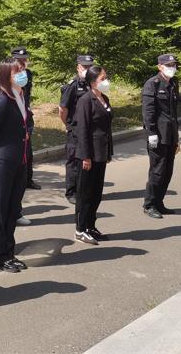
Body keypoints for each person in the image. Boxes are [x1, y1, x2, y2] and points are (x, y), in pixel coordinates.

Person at [0, 58, 30, 272]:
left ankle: (10, 253)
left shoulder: (19, 94)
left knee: (12, 210)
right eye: (16, 71)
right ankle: (0, 257)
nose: (22, 73)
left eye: (22, 69)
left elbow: (25, 122)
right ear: (6, 76)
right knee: (0, 211)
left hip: (20, 160)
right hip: (3, 161)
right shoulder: (2, 99)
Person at [73, 65, 114, 245]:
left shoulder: (104, 98)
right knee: (85, 194)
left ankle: (90, 226)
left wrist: (108, 151)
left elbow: (106, 128)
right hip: (89, 155)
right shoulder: (85, 100)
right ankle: (80, 229)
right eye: (102, 78)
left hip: (101, 153)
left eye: (105, 77)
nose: (106, 81)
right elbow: (82, 130)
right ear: (92, 82)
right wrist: (85, 156)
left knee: (96, 193)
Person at [0, 47, 39, 195]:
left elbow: (26, 95)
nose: (23, 63)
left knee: (27, 153)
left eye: (25, 60)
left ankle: (27, 179)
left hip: (24, 115)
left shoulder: (27, 75)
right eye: (19, 60)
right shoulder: (1, 84)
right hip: (10, 125)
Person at [141, 54, 181, 219]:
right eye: (168, 65)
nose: (172, 68)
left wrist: (176, 138)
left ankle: (159, 203)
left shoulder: (172, 83)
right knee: (157, 172)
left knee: (167, 172)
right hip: (157, 135)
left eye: (174, 65)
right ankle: (149, 205)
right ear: (160, 66)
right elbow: (148, 111)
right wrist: (151, 133)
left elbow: (173, 114)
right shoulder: (153, 84)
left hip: (170, 135)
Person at [59, 54, 95, 204]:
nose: (87, 69)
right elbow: (63, 109)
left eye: (89, 66)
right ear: (78, 67)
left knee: (87, 159)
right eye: (84, 66)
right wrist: (68, 125)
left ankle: (84, 189)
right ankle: (71, 192)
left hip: (90, 129)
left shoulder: (92, 83)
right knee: (74, 161)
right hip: (76, 129)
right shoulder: (72, 85)